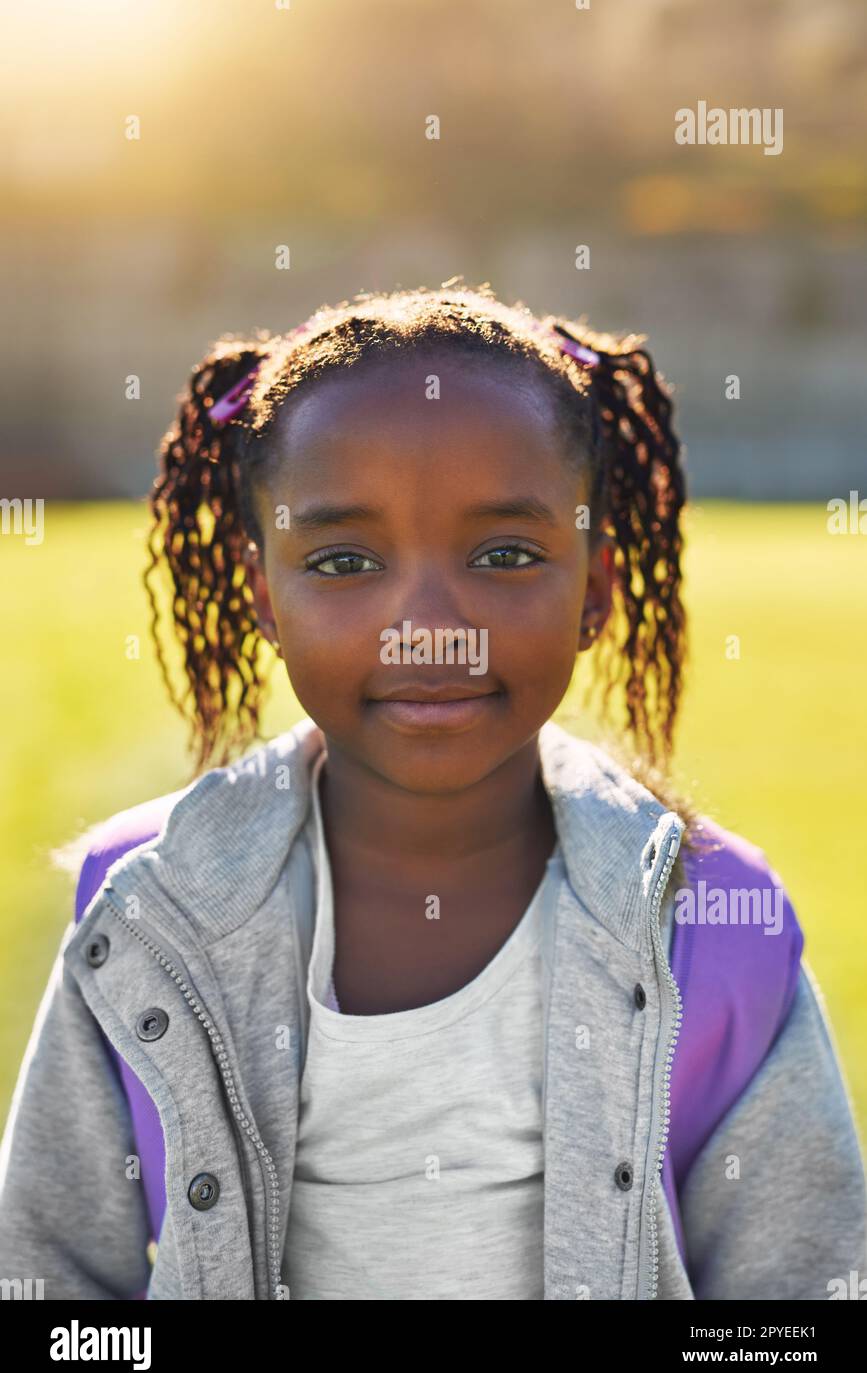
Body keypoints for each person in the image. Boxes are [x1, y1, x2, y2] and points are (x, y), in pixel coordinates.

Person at [1, 281, 864, 1300]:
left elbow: (802, 1299)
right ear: (262, 594)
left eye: (503, 554)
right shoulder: (148, 915)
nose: (429, 625)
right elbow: (49, 1283)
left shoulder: (712, 927)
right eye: (344, 560)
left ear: (594, 589)